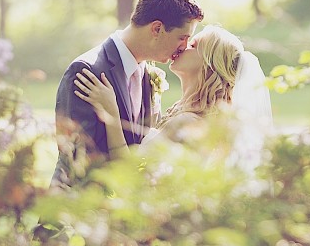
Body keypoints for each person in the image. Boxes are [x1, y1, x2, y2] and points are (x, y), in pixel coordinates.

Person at [51, 0, 204, 187]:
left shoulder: (146, 75)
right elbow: (78, 159)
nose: (183, 48)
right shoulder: (88, 71)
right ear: (157, 29)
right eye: (182, 38)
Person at [73, 24, 273, 169]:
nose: (182, 47)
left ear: (208, 65)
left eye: (193, 46)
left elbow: (129, 173)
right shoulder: (186, 111)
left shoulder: (189, 123)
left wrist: (111, 114)